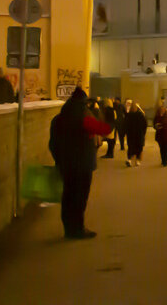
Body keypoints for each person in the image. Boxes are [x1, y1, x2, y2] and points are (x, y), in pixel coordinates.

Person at [48, 88, 112, 239]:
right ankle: (78, 229)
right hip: (83, 165)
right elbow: (105, 129)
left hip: (66, 165)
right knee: (80, 197)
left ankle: (68, 229)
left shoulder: (58, 119)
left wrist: (59, 159)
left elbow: (52, 144)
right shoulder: (85, 118)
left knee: (68, 196)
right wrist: (101, 112)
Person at [125, 102, 148, 167]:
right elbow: (145, 125)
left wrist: (126, 132)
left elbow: (125, 125)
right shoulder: (140, 115)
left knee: (130, 147)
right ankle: (137, 161)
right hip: (139, 134)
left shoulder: (129, 115)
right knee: (139, 148)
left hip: (131, 135)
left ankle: (129, 160)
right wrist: (143, 133)